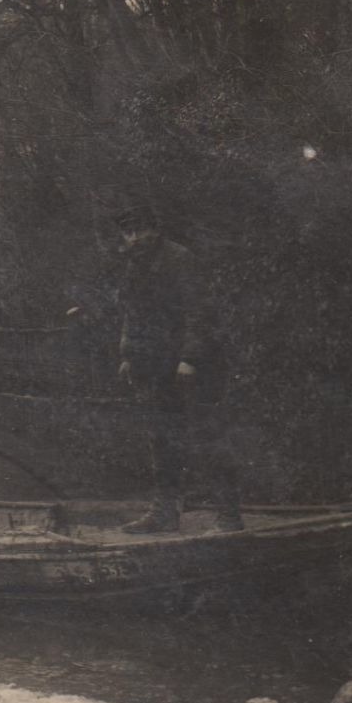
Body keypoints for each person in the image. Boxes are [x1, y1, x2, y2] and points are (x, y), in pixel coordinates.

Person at [113, 204, 242, 533]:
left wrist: (191, 358)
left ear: (154, 229)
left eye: (140, 229)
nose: (134, 237)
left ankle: (228, 517)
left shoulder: (179, 259)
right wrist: (128, 354)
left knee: (207, 437)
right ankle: (164, 514)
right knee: (162, 440)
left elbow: (199, 312)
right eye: (128, 231)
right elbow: (132, 314)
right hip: (154, 366)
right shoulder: (132, 265)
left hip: (191, 367)